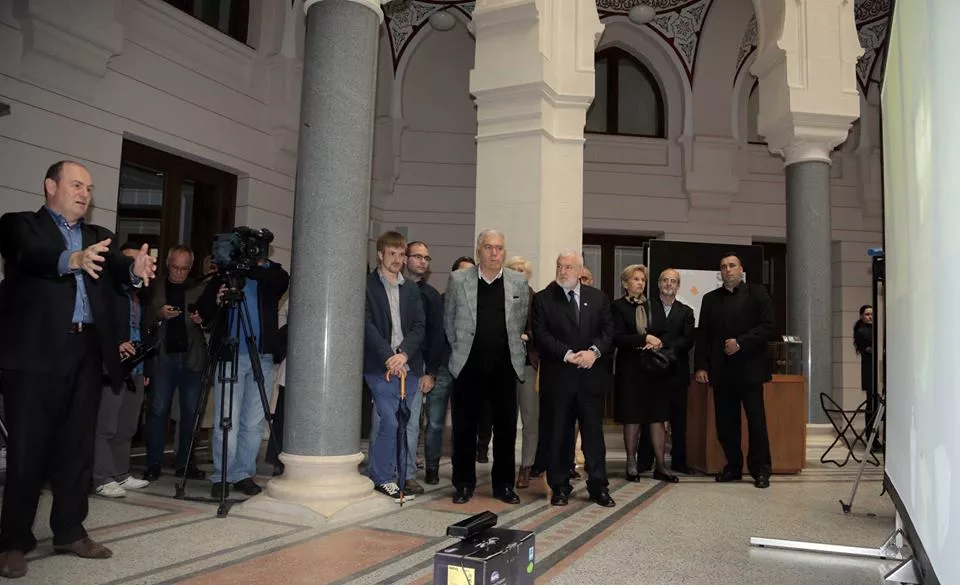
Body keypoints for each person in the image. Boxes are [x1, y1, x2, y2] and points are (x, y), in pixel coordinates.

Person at [0, 160, 157, 578]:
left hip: (86, 352)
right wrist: (72, 258)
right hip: (34, 357)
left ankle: (70, 530)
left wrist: (134, 271)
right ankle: (13, 540)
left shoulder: (99, 235)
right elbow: (30, 255)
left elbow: (116, 266)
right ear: (50, 186)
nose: (84, 193)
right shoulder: (19, 225)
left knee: (77, 447)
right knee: (28, 449)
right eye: (75, 185)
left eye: (89, 187)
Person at [198, 247, 289, 499]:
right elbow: (204, 307)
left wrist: (253, 266)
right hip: (231, 354)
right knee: (226, 419)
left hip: (262, 356)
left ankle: (243, 474)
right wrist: (217, 300)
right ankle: (222, 475)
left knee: (253, 422)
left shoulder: (271, 274)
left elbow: (281, 282)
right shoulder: (225, 273)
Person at [445, 230, 529, 505]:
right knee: (464, 428)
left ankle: (503, 485)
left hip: (504, 366)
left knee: (505, 429)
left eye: (499, 248)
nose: (495, 253)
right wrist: (460, 349)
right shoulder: (459, 280)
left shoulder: (518, 282)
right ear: (479, 250)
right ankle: (463, 484)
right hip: (468, 365)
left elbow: (520, 321)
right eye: (489, 247)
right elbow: (449, 320)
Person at [532, 251, 615, 507]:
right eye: (560, 266)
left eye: (569, 267)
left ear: (580, 271)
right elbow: (541, 334)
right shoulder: (544, 299)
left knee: (593, 435)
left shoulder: (598, 298)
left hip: (590, 377)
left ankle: (598, 486)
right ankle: (559, 487)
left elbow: (609, 331)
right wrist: (567, 354)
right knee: (559, 433)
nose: (563, 271)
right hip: (559, 377)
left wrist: (594, 352)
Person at [694, 253, 776, 489]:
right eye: (723, 267)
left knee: (756, 423)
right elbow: (703, 335)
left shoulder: (758, 293)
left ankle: (761, 470)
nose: (727, 270)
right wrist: (700, 366)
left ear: (741, 269)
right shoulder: (710, 299)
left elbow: (769, 327)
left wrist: (740, 342)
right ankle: (733, 466)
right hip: (722, 371)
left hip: (750, 370)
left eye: (732, 265)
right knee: (726, 424)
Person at [364, 231, 425, 500]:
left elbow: (419, 326)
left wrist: (404, 354)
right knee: (388, 421)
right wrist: (390, 356)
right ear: (380, 255)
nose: (397, 259)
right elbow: (366, 324)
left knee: (403, 424)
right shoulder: (367, 286)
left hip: (407, 365)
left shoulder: (410, 288)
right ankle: (381, 477)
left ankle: (399, 477)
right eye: (392, 254)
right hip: (380, 366)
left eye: (401, 254)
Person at [93, 241, 154, 498]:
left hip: (137, 365)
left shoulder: (141, 293)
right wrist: (116, 343)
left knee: (127, 425)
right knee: (106, 423)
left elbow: (147, 330)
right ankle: (102, 477)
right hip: (112, 364)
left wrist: (147, 368)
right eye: (129, 261)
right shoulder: (108, 291)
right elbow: (98, 324)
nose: (134, 266)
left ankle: (121, 473)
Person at [142, 246, 207, 481]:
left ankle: (186, 463)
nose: (178, 273)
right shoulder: (154, 286)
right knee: (158, 410)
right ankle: (154, 463)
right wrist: (159, 314)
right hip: (163, 357)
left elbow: (211, 319)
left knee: (191, 412)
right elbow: (142, 318)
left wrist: (201, 319)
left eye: (184, 268)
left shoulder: (199, 288)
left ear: (190, 268)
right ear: (167, 264)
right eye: (175, 267)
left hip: (192, 358)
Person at [624, 268, 696, 479]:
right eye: (665, 280)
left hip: (676, 371)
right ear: (658, 284)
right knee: (650, 417)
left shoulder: (686, 311)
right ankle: (645, 460)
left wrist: (663, 346)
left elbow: (687, 339)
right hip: (651, 370)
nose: (669, 284)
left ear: (678, 286)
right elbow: (642, 333)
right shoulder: (646, 307)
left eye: (673, 281)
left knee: (678, 419)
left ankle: (679, 460)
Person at [422, 256, 475, 485]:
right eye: (462, 272)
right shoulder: (440, 301)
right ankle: (432, 467)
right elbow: (432, 337)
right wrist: (431, 370)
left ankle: (459, 470)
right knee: (434, 423)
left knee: (463, 425)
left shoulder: (478, 305)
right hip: (442, 368)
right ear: (453, 276)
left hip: (467, 371)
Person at [505, 256, 540, 489]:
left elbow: (544, 330)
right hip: (503, 365)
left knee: (530, 419)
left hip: (528, 365)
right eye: (514, 270)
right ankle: (504, 466)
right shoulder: (500, 296)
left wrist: (527, 336)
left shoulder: (537, 300)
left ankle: (526, 466)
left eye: (522, 270)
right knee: (505, 420)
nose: (518, 273)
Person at [853, 305, 879, 444]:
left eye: (872, 314)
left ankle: (874, 437)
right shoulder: (861, 331)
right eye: (867, 314)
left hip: (876, 371)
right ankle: (871, 437)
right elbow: (870, 349)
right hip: (870, 371)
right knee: (871, 404)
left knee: (875, 404)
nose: (870, 317)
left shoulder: (876, 329)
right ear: (862, 316)